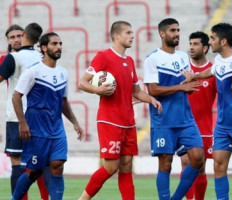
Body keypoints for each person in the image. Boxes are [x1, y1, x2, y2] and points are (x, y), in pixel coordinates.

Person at [77, 21, 162, 200]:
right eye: (128, 33)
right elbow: (82, 82)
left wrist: (151, 99)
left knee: (126, 166)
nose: (132, 36)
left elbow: (136, 91)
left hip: (128, 121)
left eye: (132, 33)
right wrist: (97, 90)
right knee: (111, 166)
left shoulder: (130, 61)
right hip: (109, 120)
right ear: (116, 35)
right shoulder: (104, 57)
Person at [181, 23, 232, 200]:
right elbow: (210, 72)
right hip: (222, 125)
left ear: (224, 41)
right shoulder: (218, 60)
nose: (210, 42)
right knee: (218, 166)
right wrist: (194, 76)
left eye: (212, 38)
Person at [11, 32, 84, 200]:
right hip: (36, 129)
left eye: (60, 44)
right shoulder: (33, 71)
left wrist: (75, 122)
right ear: (44, 48)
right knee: (34, 171)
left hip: (56, 129)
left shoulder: (63, 73)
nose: (58, 47)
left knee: (58, 165)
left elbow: (63, 101)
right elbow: (16, 96)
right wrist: (22, 123)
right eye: (54, 44)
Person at [143, 18, 205, 200]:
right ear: (162, 34)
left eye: (178, 30)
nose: (177, 34)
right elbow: (153, 90)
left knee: (197, 157)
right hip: (163, 120)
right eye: (172, 30)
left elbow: (187, 87)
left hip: (185, 119)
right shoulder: (152, 58)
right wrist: (181, 87)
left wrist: (191, 83)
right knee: (166, 164)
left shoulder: (183, 57)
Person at [0, 23, 49, 200]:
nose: (16, 39)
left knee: (39, 164)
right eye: (12, 37)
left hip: (23, 115)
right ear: (8, 40)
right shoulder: (8, 59)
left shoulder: (18, 58)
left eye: (19, 36)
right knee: (27, 164)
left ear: (25, 36)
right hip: (18, 114)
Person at [179, 31, 217, 200]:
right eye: (190, 44)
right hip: (184, 124)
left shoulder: (213, 71)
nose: (191, 47)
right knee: (186, 163)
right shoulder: (183, 69)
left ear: (205, 47)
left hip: (204, 126)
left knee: (200, 166)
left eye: (195, 44)